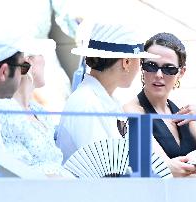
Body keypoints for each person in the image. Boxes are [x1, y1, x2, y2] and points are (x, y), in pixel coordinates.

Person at [123, 32, 196, 177]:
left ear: (181, 72)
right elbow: (165, 169)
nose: (159, 74)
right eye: (151, 66)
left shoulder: (180, 109)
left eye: (169, 69)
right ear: (142, 67)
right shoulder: (133, 111)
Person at [56, 22, 159, 163]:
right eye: (140, 61)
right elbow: (106, 168)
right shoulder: (87, 104)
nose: (140, 68)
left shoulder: (106, 100)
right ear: (126, 62)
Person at [0, 39, 73, 177]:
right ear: (27, 63)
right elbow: (14, 168)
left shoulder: (39, 111)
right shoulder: (5, 109)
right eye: (41, 54)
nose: (45, 60)